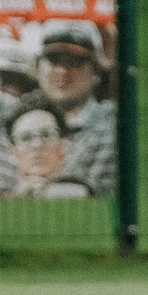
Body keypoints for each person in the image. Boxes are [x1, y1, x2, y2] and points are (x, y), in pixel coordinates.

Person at [36, 22, 114, 196]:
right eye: (54, 59)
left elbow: (87, 194)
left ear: (96, 73)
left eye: (74, 62)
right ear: (37, 68)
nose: (63, 71)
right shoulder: (20, 120)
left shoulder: (110, 125)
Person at [0, 91, 87, 197]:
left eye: (46, 135)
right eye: (26, 138)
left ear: (64, 145)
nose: (37, 144)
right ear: (12, 153)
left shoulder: (83, 194)